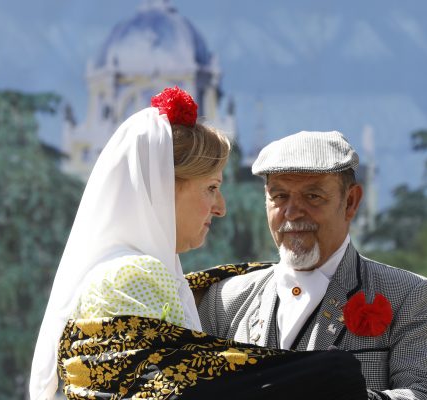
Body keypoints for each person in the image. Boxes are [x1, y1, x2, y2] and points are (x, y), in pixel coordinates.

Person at [29, 87, 366, 400]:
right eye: (210, 188)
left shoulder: (129, 269)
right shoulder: (136, 273)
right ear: (163, 189)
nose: (220, 207)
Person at [198, 130, 427, 400]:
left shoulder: (407, 295)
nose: (293, 212)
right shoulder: (223, 301)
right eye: (280, 196)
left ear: (351, 202)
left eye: (313, 196)